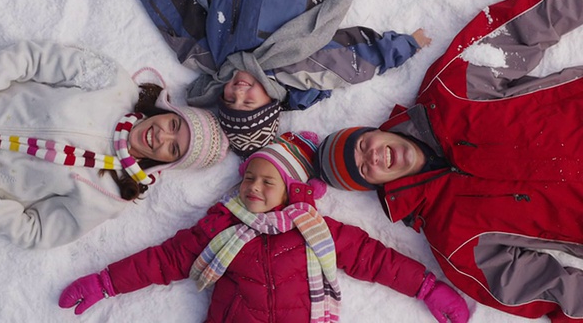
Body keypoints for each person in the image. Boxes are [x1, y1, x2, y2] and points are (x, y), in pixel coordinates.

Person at [316, 0, 583, 321]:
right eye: (365, 169)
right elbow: (546, 289)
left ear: (374, 130)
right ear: (376, 186)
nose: (375, 156)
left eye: (364, 144)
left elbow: (525, 26)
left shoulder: (451, 89)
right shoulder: (455, 243)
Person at [58, 131, 469, 322]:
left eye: (266, 182)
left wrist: (426, 287)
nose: (253, 187)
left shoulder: (316, 229)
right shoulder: (219, 228)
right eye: (249, 179)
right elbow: (165, 260)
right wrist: (106, 282)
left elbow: (373, 259)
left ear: (290, 191)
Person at [0, 40, 229, 249]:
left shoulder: (109, 196)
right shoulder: (113, 82)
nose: (161, 136)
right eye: (174, 125)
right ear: (170, 112)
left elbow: (36, 232)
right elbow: (33, 58)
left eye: (173, 148)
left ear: (169, 163)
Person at [133, 0, 432, 157]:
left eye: (230, 100)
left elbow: (178, 19)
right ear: (270, 101)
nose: (238, 91)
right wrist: (404, 46)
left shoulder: (213, 58)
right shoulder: (296, 68)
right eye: (248, 102)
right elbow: (351, 61)